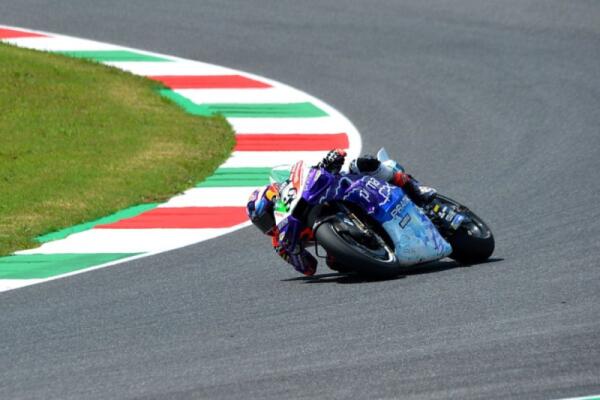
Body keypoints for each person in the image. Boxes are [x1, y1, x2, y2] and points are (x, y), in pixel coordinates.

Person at [246, 149, 436, 276]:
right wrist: (294, 252)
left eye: (267, 216)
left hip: (342, 194)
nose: (268, 225)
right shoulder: (280, 243)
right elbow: (308, 268)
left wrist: (329, 162)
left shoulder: (292, 191)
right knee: (336, 263)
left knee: (362, 163)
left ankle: (415, 189)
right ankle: (378, 251)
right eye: (261, 224)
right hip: (340, 234)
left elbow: (313, 174)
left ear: (275, 197)